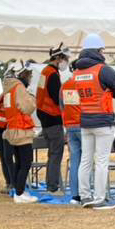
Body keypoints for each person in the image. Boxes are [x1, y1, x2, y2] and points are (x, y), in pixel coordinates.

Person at [73, 32, 115, 210]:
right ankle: (99, 198)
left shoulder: (78, 72)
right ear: (98, 50)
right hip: (103, 121)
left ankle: (85, 196)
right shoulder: (102, 69)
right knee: (102, 160)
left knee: (85, 160)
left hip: (85, 121)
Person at [0, 60, 38, 203]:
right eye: (27, 74)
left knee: (19, 162)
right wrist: (32, 98)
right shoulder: (19, 87)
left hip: (12, 128)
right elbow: (27, 108)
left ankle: (18, 191)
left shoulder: (8, 88)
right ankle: (20, 193)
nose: (28, 77)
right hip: (21, 130)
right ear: (20, 73)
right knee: (26, 162)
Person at [36, 45, 70, 193]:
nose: (66, 62)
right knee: (56, 154)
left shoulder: (45, 72)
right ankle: (52, 186)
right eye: (65, 59)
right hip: (52, 118)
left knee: (53, 154)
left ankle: (51, 184)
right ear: (57, 58)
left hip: (45, 117)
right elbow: (58, 99)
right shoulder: (53, 75)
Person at [59, 66, 85, 205]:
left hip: (70, 126)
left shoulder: (64, 86)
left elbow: (61, 106)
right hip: (83, 125)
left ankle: (75, 195)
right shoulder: (83, 83)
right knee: (86, 161)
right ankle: (86, 193)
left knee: (75, 161)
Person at [0, 88, 15, 191]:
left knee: (6, 158)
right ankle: (10, 183)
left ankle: (11, 183)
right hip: (2, 129)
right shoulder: (5, 96)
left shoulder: (5, 96)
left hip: (2, 129)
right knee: (6, 159)